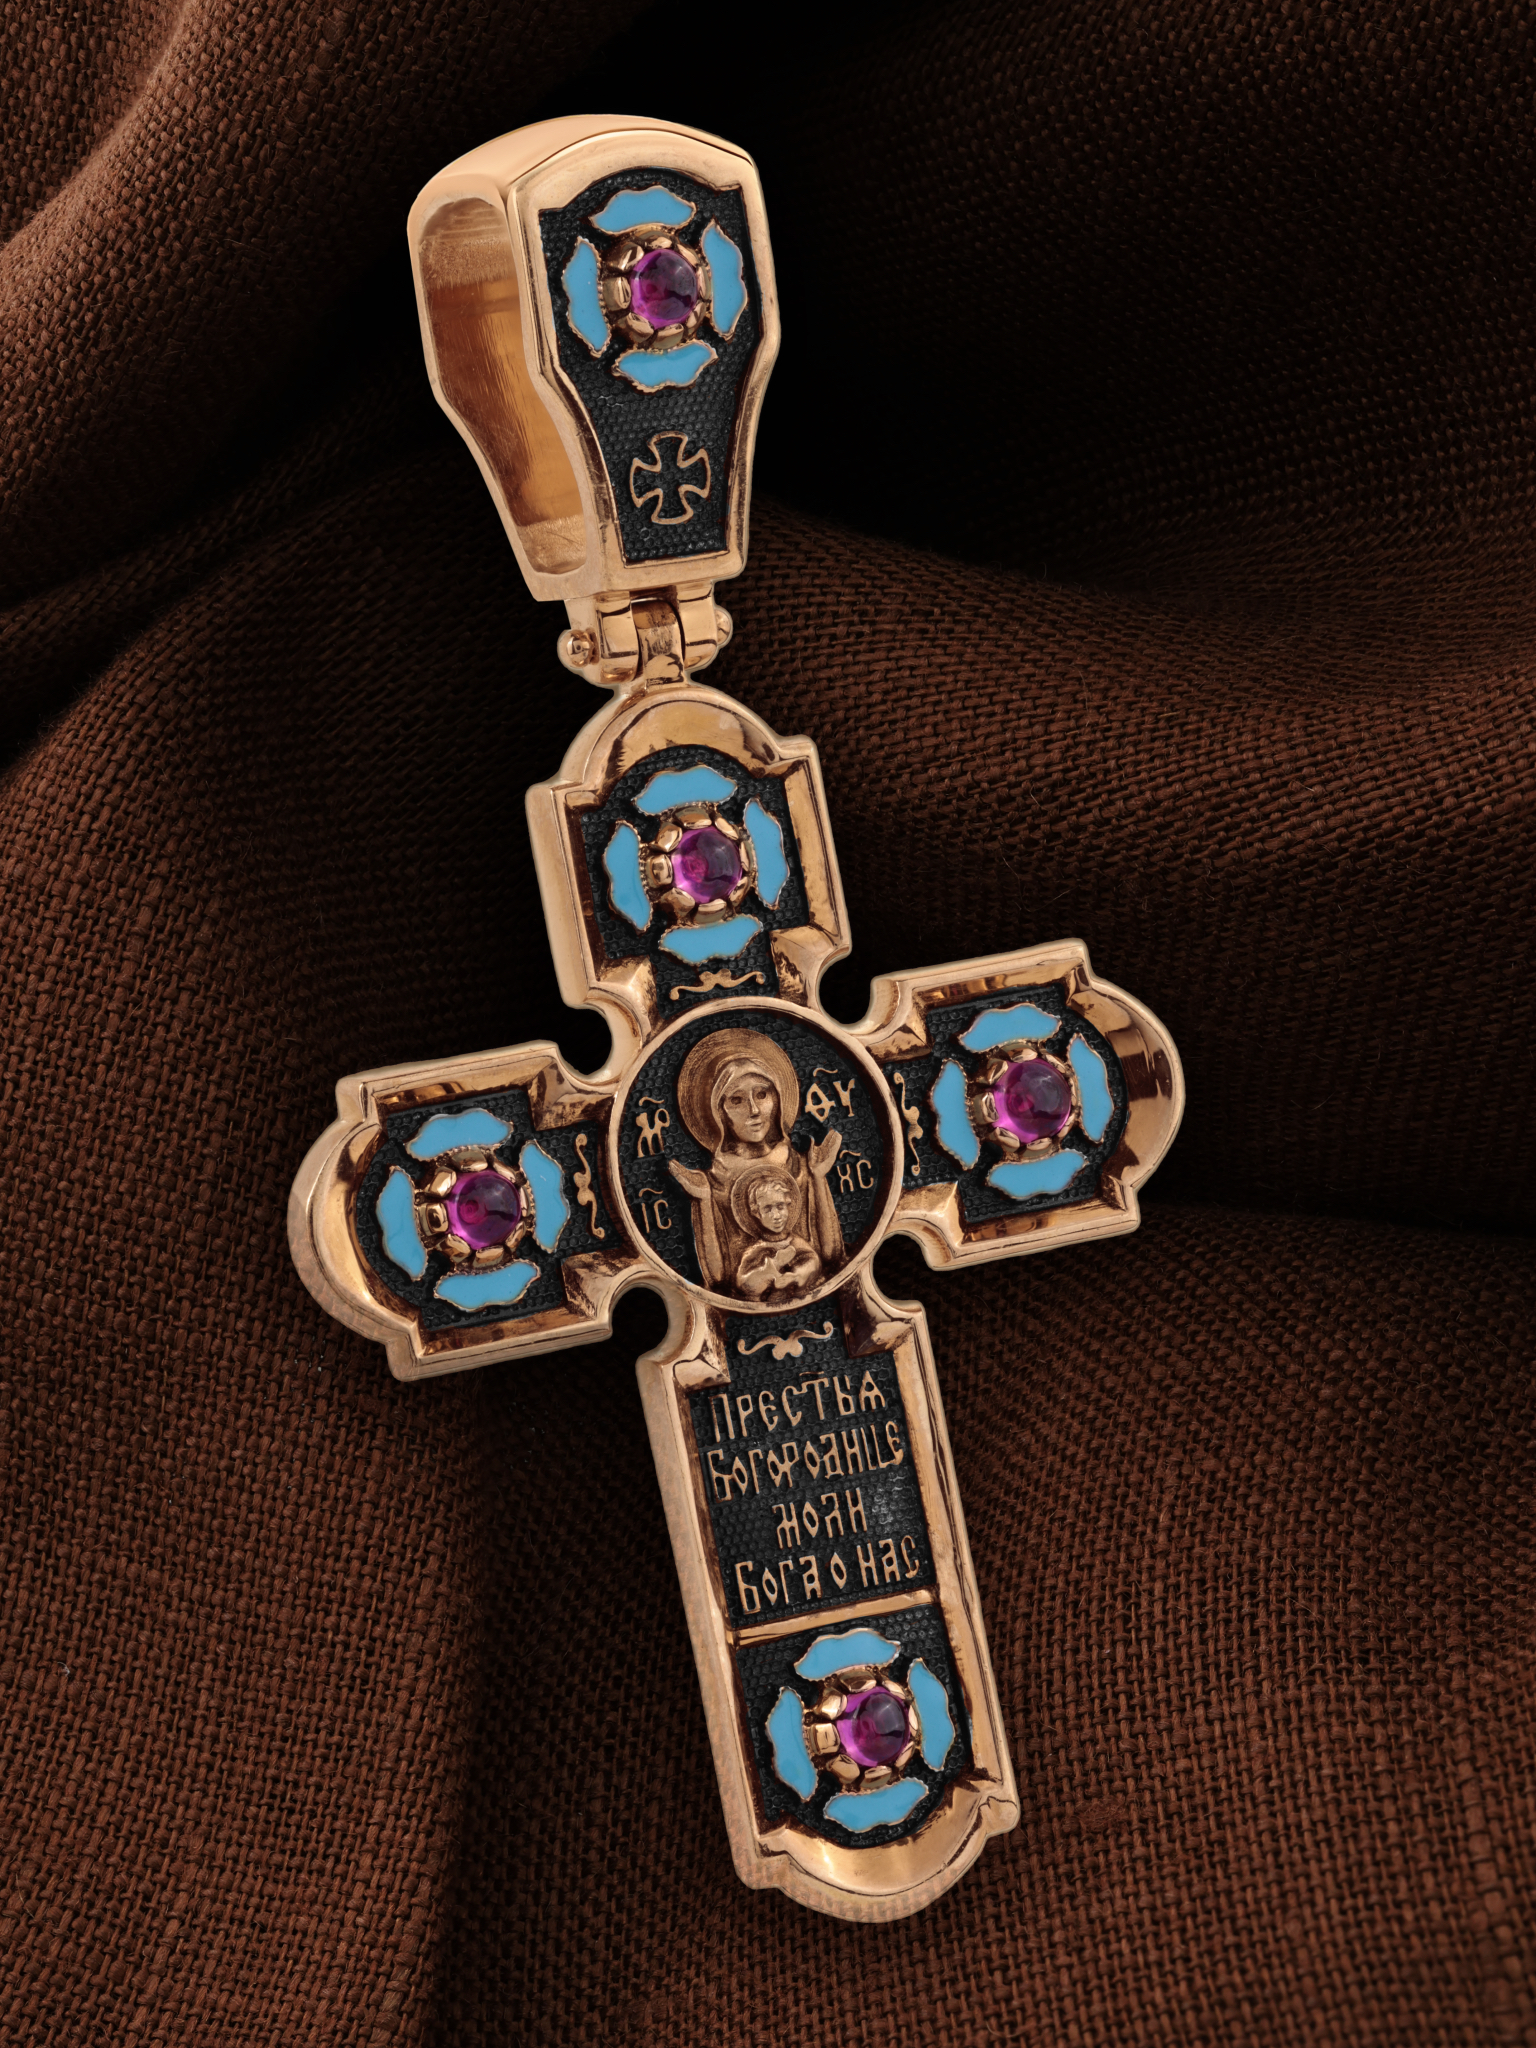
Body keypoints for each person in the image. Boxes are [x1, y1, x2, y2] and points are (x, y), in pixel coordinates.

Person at [667, 1028, 843, 1297]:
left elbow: (831, 1255)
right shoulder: (714, 1180)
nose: (754, 1110)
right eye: (736, 1100)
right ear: (718, 1113)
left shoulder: (799, 1164)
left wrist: (818, 1177)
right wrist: (703, 1200)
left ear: (778, 1099)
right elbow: (717, 1279)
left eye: (762, 1094)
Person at [733, 1165, 823, 1299]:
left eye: (780, 1207)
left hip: (802, 1299)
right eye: (767, 1209)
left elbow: (814, 1262)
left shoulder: (796, 1242)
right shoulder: (756, 1250)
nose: (776, 1216)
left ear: (788, 1204)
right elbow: (742, 1283)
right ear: (756, 1213)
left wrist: (797, 1275)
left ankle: (794, 1277)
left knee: (811, 1262)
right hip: (765, 1305)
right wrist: (774, 1265)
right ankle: (772, 1267)